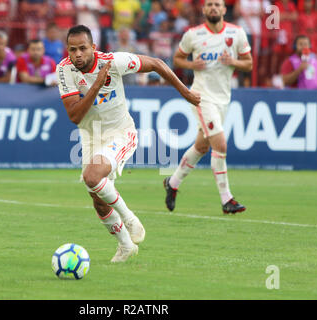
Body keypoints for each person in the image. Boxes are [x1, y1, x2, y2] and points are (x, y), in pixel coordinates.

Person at [56, 25, 200, 262]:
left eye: (83, 48)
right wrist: (96, 85)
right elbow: (75, 116)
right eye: (73, 50)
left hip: (120, 133)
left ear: (93, 47)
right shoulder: (64, 70)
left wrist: (186, 93)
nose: (78, 54)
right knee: (97, 199)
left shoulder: (114, 62)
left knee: (93, 177)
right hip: (90, 136)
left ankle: (131, 220)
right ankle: (126, 245)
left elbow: (156, 64)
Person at [163, 0, 253, 214]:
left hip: (223, 98)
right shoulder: (193, 35)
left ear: (224, 9)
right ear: (204, 10)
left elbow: (248, 63)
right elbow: (177, 59)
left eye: (217, 4)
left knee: (202, 147)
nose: (213, 7)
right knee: (220, 144)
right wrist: (192, 65)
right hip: (201, 97)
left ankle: (172, 183)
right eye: (209, 4)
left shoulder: (237, 33)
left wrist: (233, 61)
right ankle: (227, 200)